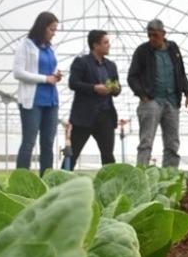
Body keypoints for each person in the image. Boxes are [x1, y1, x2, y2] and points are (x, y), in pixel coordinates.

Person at [128, 19, 188, 168]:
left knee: (172, 143)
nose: (152, 39)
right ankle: (141, 173)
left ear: (163, 34)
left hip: (172, 101)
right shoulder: (142, 51)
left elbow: (181, 73)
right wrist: (142, 95)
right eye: (149, 35)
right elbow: (132, 77)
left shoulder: (174, 49)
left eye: (155, 35)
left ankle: (170, 176)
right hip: (151, 101)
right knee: (146, 141)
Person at [12, 11, 62, 176]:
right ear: (42, 28)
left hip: (51, 101)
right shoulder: (26, 45)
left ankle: (46, 179)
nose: (53, 33)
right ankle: (20, 179)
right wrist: (45, 79)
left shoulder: (49, 48)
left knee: (48, 143)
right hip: (32, 101)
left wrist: (55, 76)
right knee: (29, 142)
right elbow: (18, 73)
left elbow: (48, 71)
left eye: (55, 30)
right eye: (51, 30)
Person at [69, 30, 121, 166]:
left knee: (108, 156)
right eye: (106, 42)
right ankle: (61, 182)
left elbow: (117, 88)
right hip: (84, 116)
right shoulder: (81, 62)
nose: (109, 45)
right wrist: (94, 88)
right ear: (95, 45)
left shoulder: (111, 66)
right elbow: (73, 83)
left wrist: (116, 89)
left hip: (105, 116)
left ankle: (111, 185)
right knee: (73, 154)